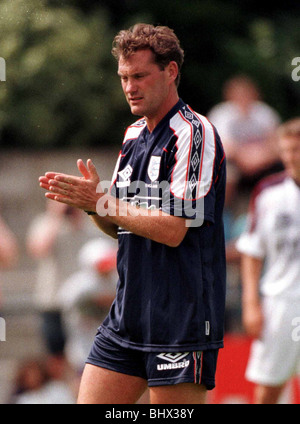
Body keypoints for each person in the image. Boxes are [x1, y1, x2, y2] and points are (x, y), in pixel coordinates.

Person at [39, 23, 226, 404]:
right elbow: (124, 227)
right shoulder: (132, 135)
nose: (129, 87)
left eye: (139, 75)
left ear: (170, 71)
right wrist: (92, 206)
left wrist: (104, 203)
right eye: (124, 77)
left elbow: (174, 230)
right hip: (126, 317)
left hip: (181, 321)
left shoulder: (194, 134)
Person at [236, 117, 300, 404]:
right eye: (286, 149)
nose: (291, 156)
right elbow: (252, 251)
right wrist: (251, 303)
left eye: (297, 149)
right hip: (281, 302)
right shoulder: (268, 192)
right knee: (268, 388)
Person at [26, 200, 99, 358]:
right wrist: (56, 215)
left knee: (85, 355)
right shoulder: (44, 223)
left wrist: (80, 214)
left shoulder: (90, 222)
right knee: (56, 356)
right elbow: (38, 249)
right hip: (53, 300)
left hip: (82, 303)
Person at [208, 75, 281, 190]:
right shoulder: (221, 114)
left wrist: (261, 159)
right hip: (234, 162)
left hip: (264, 161)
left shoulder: (265, 113)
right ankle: (224, 207)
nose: (243, 97)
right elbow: (221, 145)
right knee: (226, 174)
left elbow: (277, 142)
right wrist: (244, 159)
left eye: (247, 93)